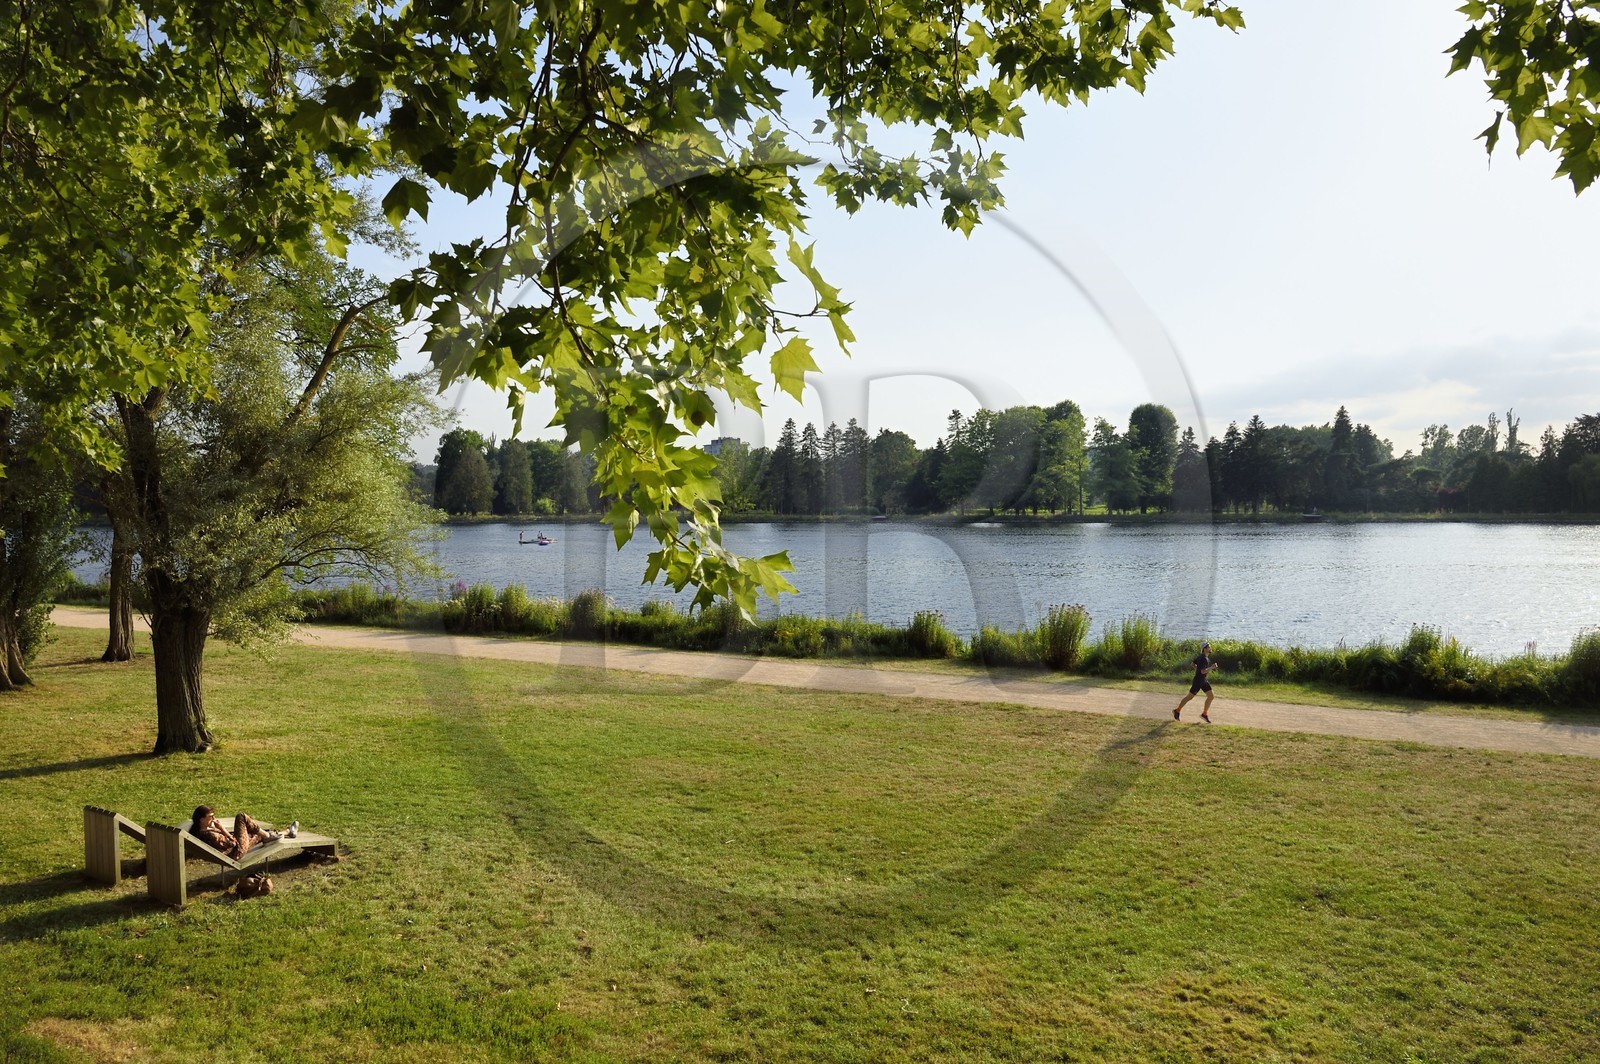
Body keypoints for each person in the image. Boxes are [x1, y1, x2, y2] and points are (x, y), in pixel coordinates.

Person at [191, 805, 299, 859]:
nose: (214, 818)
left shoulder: (202, 830)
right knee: (241, 817)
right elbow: (233, 843)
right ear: (201, 820)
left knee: (256, 833)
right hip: (237, 851)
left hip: (234, 849)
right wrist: (222, 829)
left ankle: (288, 831)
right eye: (211, 817)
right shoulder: (210, 835)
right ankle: (272, 834)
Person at [1174, 641, 1218, 723]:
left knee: (1211, 696)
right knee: (1189, 697)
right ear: (1204, 649)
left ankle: (1204, 714)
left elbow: (1192, 664)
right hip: (1198, 681)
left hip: (1203, 680)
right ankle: (1177, 710)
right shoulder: (1203, 658)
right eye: (1209, 647)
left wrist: (1197, 669)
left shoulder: (1202, 657)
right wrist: (1212, 667)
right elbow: (1202, 671)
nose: (1210, 648)